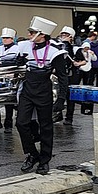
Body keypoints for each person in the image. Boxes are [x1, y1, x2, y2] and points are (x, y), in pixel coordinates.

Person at [15, 16, 69, 175]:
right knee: (21, 123)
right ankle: (32, 154)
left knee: (46, 127)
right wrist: (18, 61)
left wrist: (61, 99)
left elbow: (63, 77)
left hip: (44, 91)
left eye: (32, 32)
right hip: (27, 91)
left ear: (42, 34)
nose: (29, 34)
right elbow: (18, 65)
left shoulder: (55, 52)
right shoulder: (25, 46)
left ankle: (44, 161)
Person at [0, 27, 20, 133]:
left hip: (12, 78)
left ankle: (8, 124)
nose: (5, 40)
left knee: (8, 102)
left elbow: (20, 63)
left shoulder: (18, 49)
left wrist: (14, 74)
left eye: (7, 38)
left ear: (12, 39)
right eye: (3, 38)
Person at [55, 26, 86, 126]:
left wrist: (78, 64)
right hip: (58, 74)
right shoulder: (56, 47)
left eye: (66, 35)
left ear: (71, 37)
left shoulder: (76, 49)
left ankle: (69, 117)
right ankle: (57, 114)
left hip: (71, 75)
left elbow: (84, 61)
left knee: (70, 97)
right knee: (57, 95)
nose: (63, 36)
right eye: (62, 34)